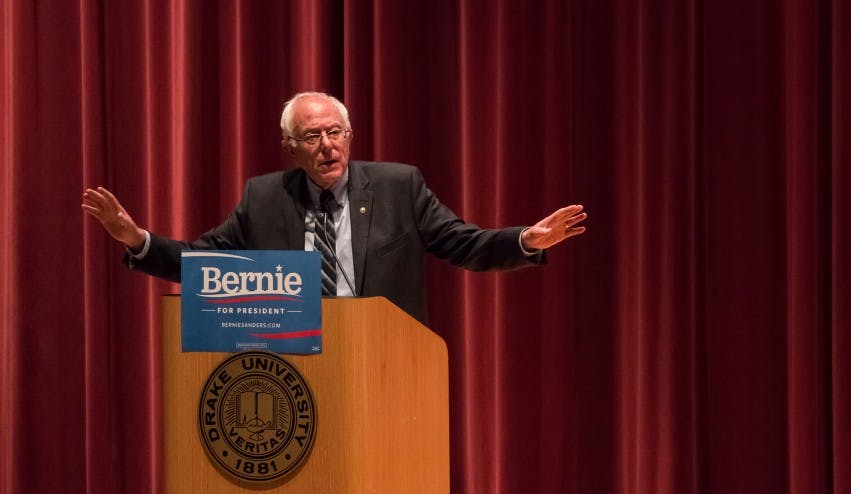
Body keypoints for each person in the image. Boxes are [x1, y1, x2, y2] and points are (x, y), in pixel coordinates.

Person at [82, 91, 586, 324]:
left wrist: (525, 240)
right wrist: (137, 240)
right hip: (293, 357)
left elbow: (464, 244)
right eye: (312, 136)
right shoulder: (264, 197)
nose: (327, 146)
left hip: (380, 358)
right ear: (291, 147)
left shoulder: (398, 186)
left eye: (335, 133)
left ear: (349, 137)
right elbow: (206, 266)